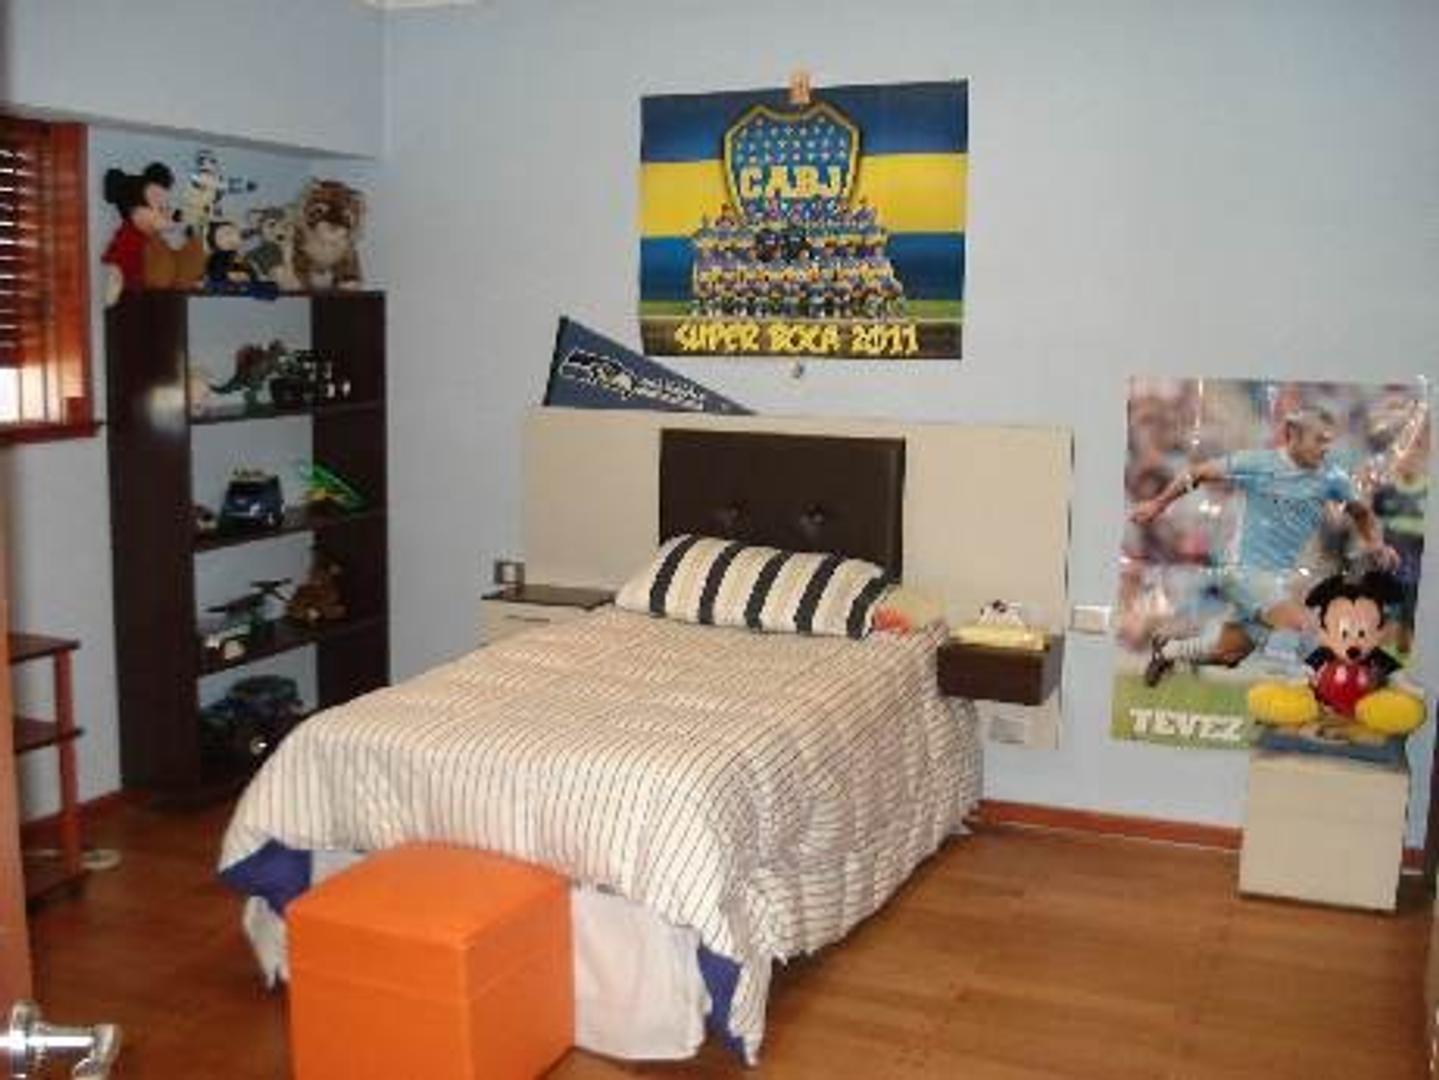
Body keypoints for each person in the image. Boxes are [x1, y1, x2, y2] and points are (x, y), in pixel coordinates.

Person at [1129, 407, 1398, 686]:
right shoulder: (1258, 463)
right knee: (1300, 625)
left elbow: (1361, 513)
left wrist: (1377, 545)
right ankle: (1302, 688)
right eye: (1318, 440)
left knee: (1228, 652)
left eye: (1328, 441)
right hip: (1243, 569)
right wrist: (1158, 504)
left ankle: (1169, 650)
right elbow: (1197, 473)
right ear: (1293, 435)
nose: (1325, 448)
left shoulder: (1332, 478)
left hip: (1278, 577)